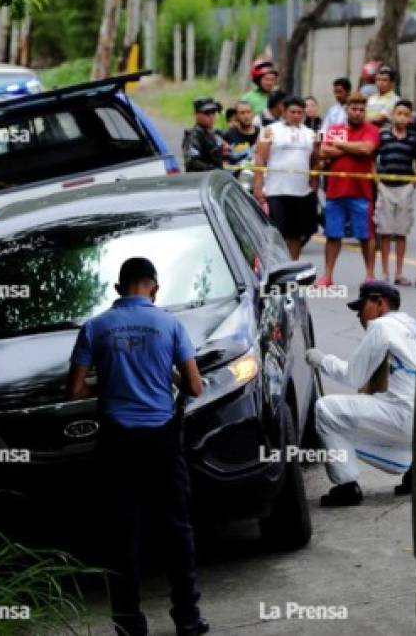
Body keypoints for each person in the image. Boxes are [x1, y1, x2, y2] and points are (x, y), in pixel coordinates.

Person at [67, 258, 207, 636]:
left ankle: (129, 623)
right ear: (155, 288)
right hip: (161, 439)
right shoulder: (170, 325)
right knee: (177, 527)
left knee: (120, 531)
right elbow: (194, 387)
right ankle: (188, 618)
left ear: (118, 288)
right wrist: (168, 373)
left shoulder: (95, 328)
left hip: (116, 442)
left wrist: (109, 383)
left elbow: (76, 389)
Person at [305, 281, 416, 506]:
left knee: (326, 409)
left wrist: (322, 360)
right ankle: (414, 471)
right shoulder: (413, 325)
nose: (359, 316)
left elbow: (353, 376)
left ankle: (346, 485)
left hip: (403, 418)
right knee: (371, 406)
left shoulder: (381, 326)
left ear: (380, 303)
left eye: (362, 308)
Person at [317, 91, 380, 286]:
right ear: (347, 110)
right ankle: (327, 275)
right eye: (354, 109)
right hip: (335, 190)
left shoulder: (371, 130)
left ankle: (370, 274)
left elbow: (367, 149)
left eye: (362, 109)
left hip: (361, 191)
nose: (358, 113)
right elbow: (324, 151)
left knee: (365, 234)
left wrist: (340, 146)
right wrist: (351, 147)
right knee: (333, 234)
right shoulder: (336, 129)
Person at [253, 96, 319, 259]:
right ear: (284, 112)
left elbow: (315, 159)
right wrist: (258, 186)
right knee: (278, 233)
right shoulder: (270, 130)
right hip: (276, 191)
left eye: (299, 112)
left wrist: (314, 181)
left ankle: (293, 267)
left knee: (295, 235)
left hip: (301, 191)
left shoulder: (310, 134)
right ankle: (276, 266)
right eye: (292, 112)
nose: (296, 115)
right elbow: (260, 158)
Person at [373, 100, 416, 285]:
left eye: (406, 114)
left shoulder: (414, 139)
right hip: (385, 186)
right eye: (398, 113)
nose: (402, 117)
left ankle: (399, 273)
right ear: (393, 115)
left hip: (405, 187)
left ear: (410, 118)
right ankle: (384, 272)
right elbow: (373, 158)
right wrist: (377, 180)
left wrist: (413, 183)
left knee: (401, 232)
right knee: (385, 231)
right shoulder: (383, 135)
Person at [182, 97, 227, 172]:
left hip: (217, 177)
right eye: (206, 113)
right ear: (196, 114)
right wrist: (212, 169)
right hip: (201, 180)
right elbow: (192, 162)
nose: (211, 116)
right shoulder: (193, 136)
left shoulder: (216, 134)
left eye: (213, 112)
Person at [223, 100, 260, 170]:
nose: (246, 116)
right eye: (242, 113)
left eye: (248, 112)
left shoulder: (261, 133)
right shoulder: (228, 135)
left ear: (253, 114)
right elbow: (224, 162)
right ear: (236, 116)